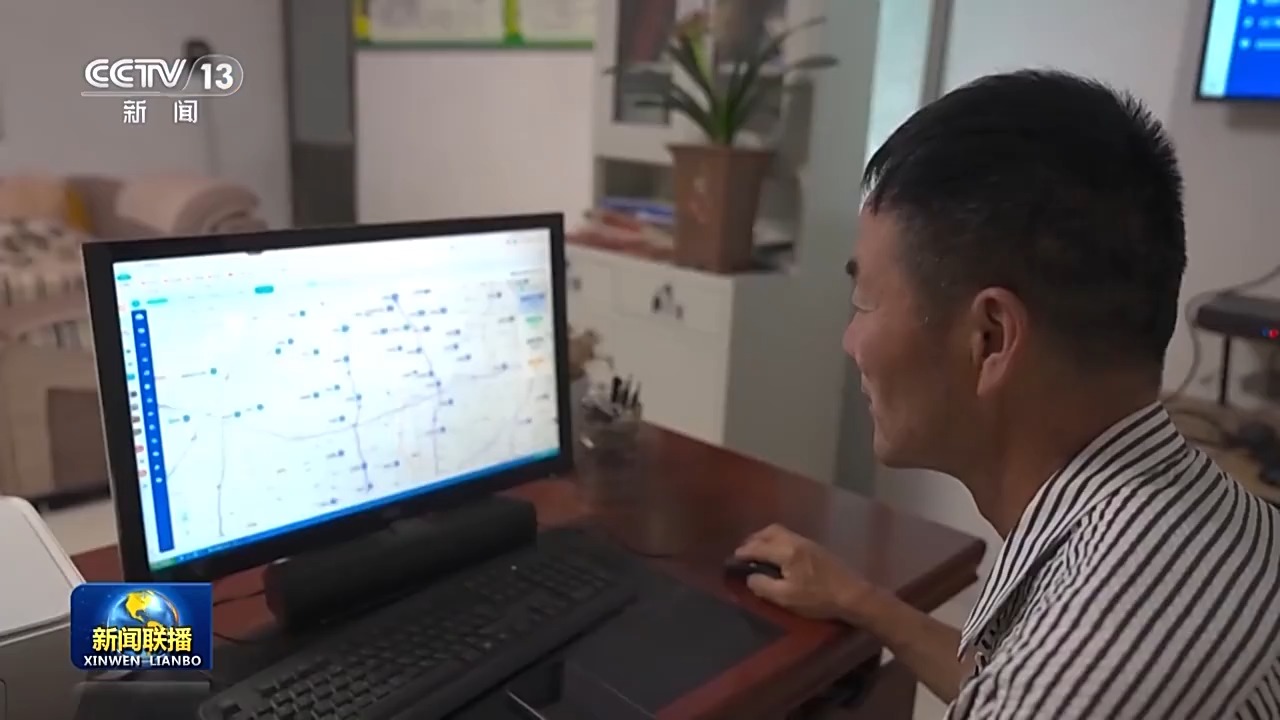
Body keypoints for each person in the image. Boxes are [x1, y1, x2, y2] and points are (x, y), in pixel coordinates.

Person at [733, 70, 1280, 719]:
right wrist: (861, 602)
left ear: (991, 338)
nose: (850, 341)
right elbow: (1004, 680)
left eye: (865, 301)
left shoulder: (1086, 675)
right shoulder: (1193, 523)